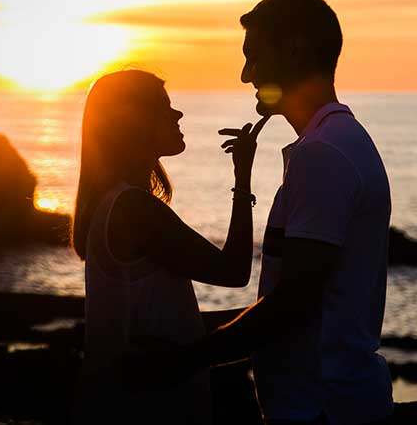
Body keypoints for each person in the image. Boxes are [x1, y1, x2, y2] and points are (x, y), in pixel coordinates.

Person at [148, 0, 394, 425]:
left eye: (254, 57)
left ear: (294, 50)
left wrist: (185, 359)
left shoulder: (324, 154)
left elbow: (293, 303)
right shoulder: (331, 144)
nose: (245, 75)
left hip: (323, 409)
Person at [71, 69, 269, 424]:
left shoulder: (114, 203)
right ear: (134, 122)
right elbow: (234, 270)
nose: (177, 115)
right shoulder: (134, 209)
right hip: (148, 408)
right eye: (165, 107)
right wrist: (242, 178)